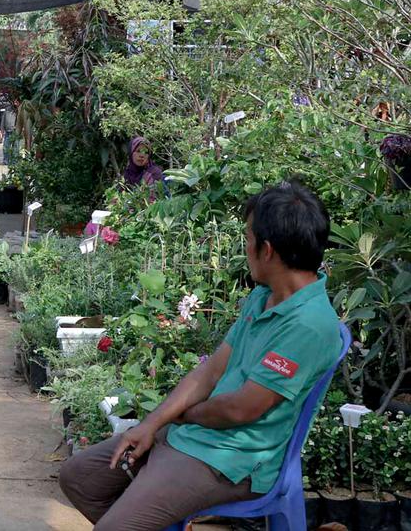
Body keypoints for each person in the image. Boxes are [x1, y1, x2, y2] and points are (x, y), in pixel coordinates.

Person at [58, 181, 342, 531]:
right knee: (79, 478)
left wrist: (185, 417)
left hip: (232, 460)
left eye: (248, 238)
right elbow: (209, 373)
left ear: (266, 250)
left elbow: (241, 409)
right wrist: (152, 424)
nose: (245, 246)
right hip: (195, 437)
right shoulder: (264, 296)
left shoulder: (309, 326)